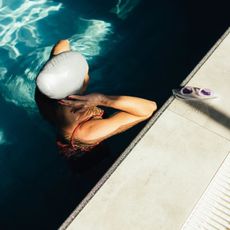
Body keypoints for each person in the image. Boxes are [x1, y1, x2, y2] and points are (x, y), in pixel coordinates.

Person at [35, 40, 157, 158]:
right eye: (87, 73)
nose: (88, 75)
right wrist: (101, 99)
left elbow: (63, 43)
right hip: (82, 150)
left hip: (60, 126)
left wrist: (62, 61)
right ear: (83, 84)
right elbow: (150, 108)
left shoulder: (45, 87)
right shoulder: (87, 133)